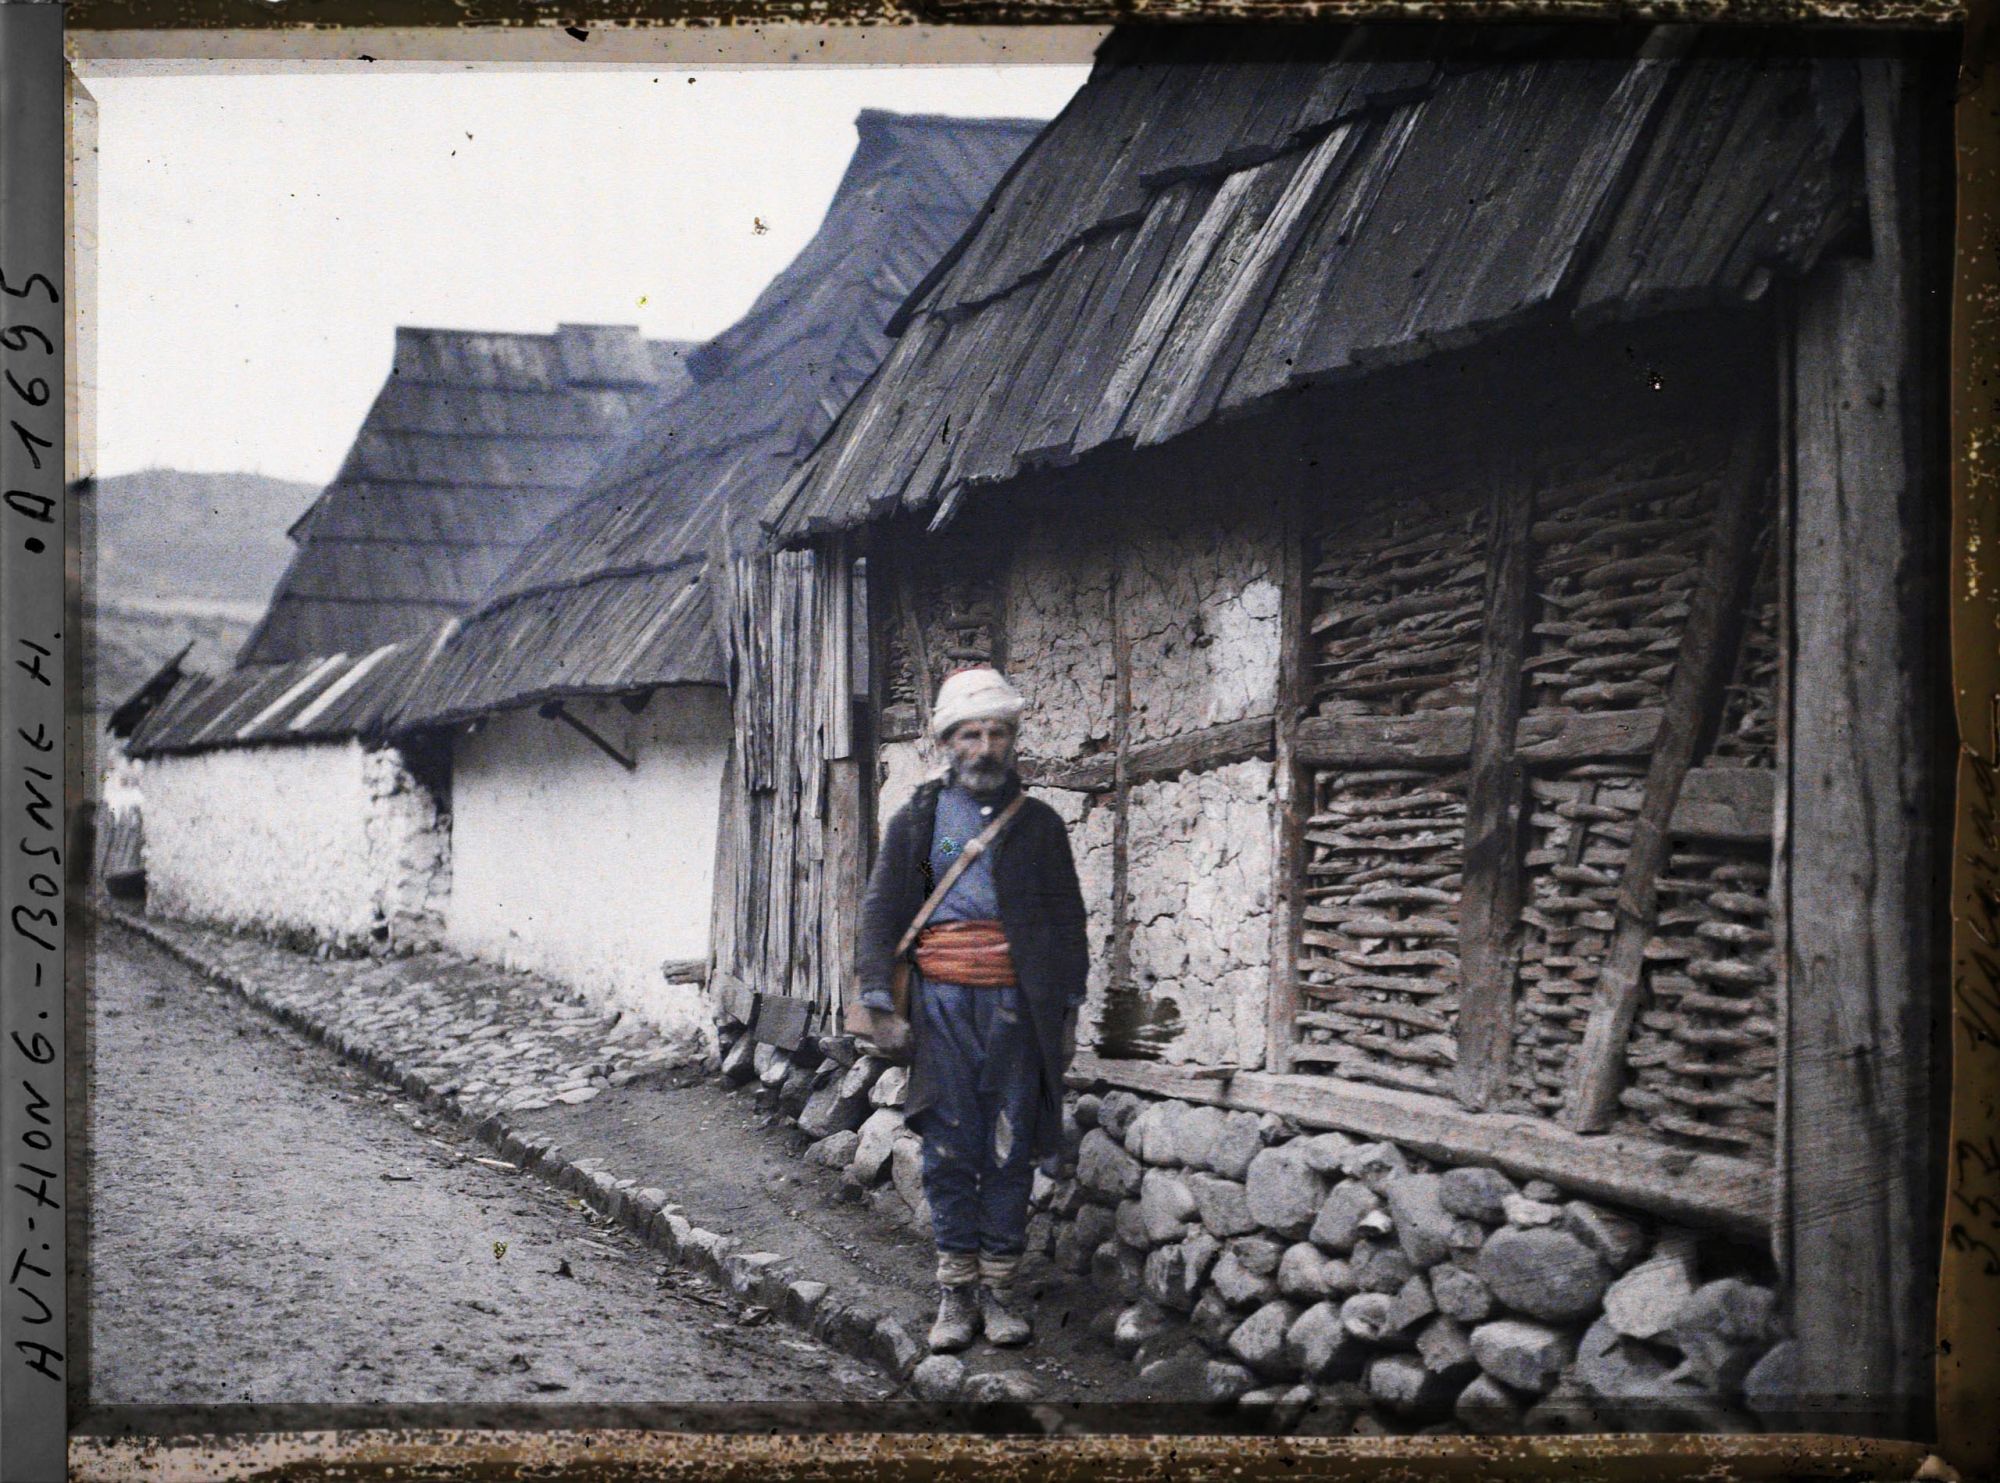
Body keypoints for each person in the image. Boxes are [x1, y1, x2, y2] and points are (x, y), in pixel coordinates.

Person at [854, 666, 1089, 1353]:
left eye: (997, 733)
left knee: (1010, 1145)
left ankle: (1001, 1291)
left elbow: (1067, 922)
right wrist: (880, 1000)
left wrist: (1068, 1013)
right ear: (946, 742)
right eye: (969, 733)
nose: (984, 747)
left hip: (1020, 1009)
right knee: (951, 1146)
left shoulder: (1039, 826)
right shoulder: (922, 819)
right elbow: (882, 908)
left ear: (1012, 740)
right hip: (942, 1005)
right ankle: (955, 1293)